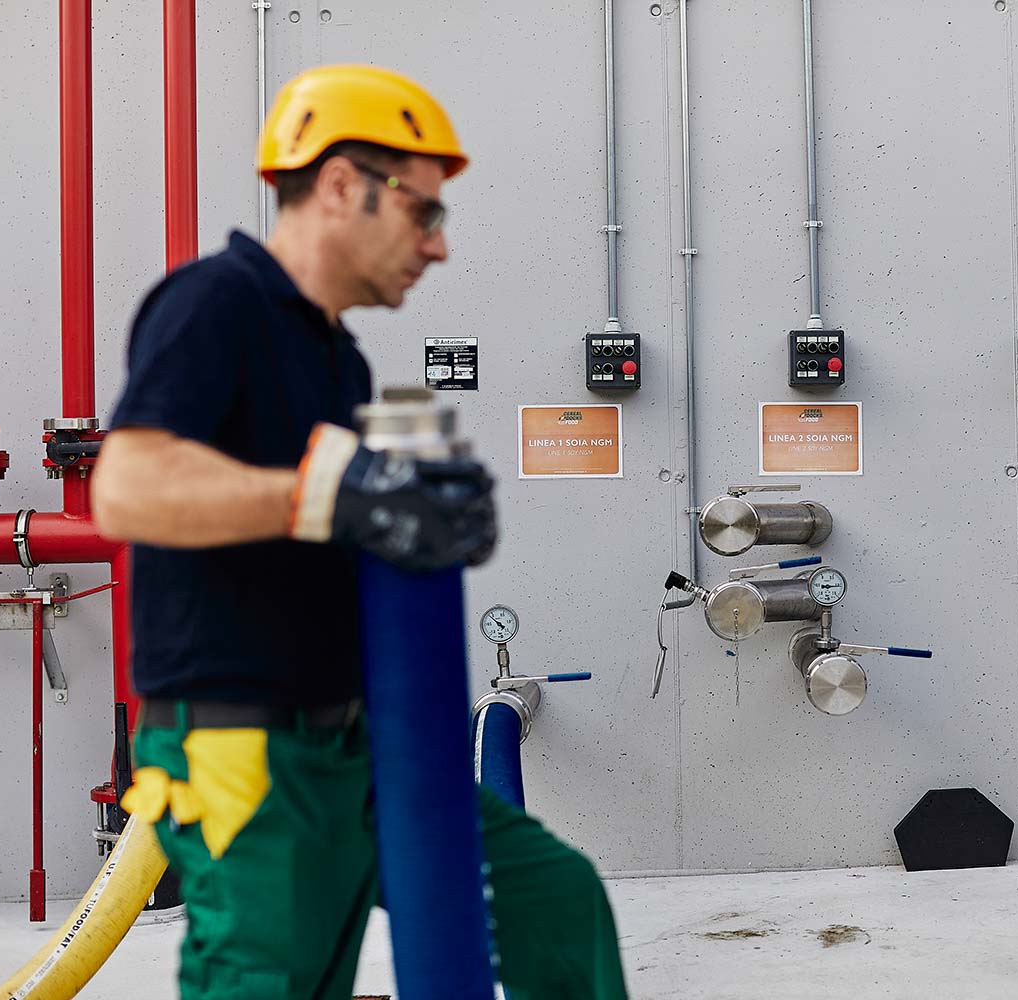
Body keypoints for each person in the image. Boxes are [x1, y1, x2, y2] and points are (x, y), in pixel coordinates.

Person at [91, 64, 628, 1000]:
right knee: (273, 982)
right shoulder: (215, 304)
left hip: (358, 746)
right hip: (243, 752)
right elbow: (128, 490)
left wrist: (418, 515)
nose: (439, 246)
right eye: (425, 213)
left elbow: (333, 518)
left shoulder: (337, 358)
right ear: (343, 186)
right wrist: (338, 499)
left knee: (553, 899)